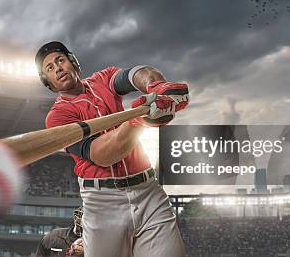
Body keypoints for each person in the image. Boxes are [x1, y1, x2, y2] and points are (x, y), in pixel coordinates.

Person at [35, 41, 189, 257]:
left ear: (73, 62)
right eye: (49, 68)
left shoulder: (103, 79)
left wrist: (156, 87)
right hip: (102, 202)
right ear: (47, 82)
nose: (57, 68)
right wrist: (139, 120)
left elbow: (136, 74)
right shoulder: (57, 117)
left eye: (60, 60)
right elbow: (102, 155)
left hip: (148, 191)